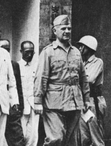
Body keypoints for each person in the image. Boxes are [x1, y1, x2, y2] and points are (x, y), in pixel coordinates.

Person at [34, 15, 91, 146]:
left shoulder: (76, 52)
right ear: (55, 31)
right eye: (63, 28)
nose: (67, 31)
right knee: (56, 138)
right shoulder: (48, 52)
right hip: (54, 102)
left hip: (74, 101)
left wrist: (86, 99)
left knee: (71, 140)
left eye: (69, 28)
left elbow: (83, 78)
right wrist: (37, 101)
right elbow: (41, 77)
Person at [78, 35, 107, 146]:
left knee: (96, 138)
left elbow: (90, 79)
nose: (80, 49)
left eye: (82, 47)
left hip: (94, 102)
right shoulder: (82, 63)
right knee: (84, 137)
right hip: (83, 102)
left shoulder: (97, 62)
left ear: (89, 48)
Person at [0, 39, 25, 146]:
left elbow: (17, 86)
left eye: (8, 49)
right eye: (3, 48)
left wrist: (19, 105)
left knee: (17, 136)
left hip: (11, 104)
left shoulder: (14, 65)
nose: (5, 51)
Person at [18, 41, 39, 146]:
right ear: (21, 51)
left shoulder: (37, 67)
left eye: (31, 52)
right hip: (21, 105)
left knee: (33, 134)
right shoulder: (16, 66)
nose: (29, 55)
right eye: (27, 52)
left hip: (34, 104)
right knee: (21, 131)